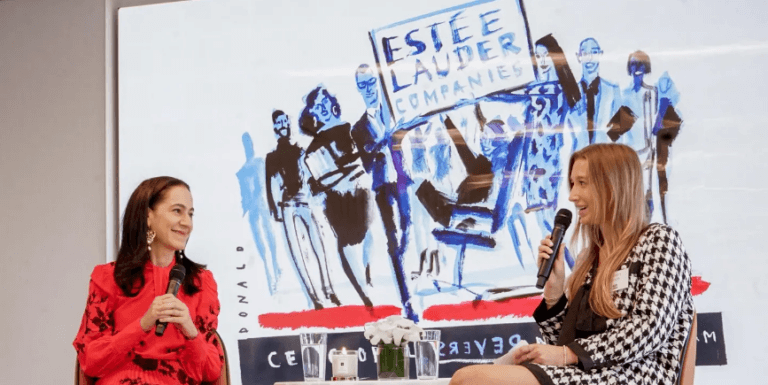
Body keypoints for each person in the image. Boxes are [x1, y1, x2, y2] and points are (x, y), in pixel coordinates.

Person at [449, 143, 694, 385]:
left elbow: (649, 329)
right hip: (592, 376)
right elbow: (565, 347)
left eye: (583, 183)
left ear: (613, 186)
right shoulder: (590, 258)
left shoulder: (659, 241)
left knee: (469, 380)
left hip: (635, 377)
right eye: (573, 183)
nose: (572, 195)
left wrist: (568, 354)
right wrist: (554, 296)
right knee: (471, 378)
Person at [73, 177, 223, 384]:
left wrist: (190, 330)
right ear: (147, 216)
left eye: (190, 214)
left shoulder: (200, 283)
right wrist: (143, 324)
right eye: (177, 211)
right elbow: (91, 362)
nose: (187, 223)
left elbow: (210, 373)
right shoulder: (108, 278)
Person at [265, 110, 339, 309]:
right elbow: (269, 185)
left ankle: (329, 290)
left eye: (285, 121)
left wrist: (319, 190)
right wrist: (274, 210)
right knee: (297, 253)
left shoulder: (299, 149)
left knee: (318, 245)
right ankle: (314, 296)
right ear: (274, 128)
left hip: (304, 200)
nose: (283, 126)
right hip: (287, 205)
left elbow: (312, 172)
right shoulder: (271, 157)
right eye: (279, 123)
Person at [576, 38, 620, 146]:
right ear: (579, 57)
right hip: (578, 157)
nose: (589, 58)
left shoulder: (613, 90)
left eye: (594, 53)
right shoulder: (570, 94)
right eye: (585, 53)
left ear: (600, 54)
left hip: (605, 157)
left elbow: (619, 132)